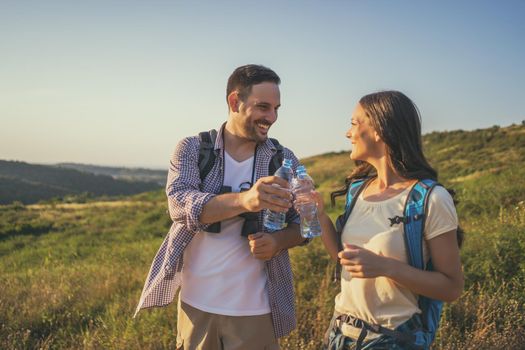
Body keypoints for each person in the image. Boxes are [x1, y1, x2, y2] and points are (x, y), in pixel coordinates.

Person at [134, 64, 307, 350]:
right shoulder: (192, 148)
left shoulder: (284, 160)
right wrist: (245, 200)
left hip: (257, 310)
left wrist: (277, 241)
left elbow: (303, 228)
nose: (271, 117)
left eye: (276, 108)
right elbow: (179, 205)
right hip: (197, 305)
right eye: (263, 107)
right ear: (234, 101)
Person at [314, 91, 464, 349]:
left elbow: (451, 288)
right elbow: (345, 261)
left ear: (379, 130)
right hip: (339, 334)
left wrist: (386, 267)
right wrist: (318, 214)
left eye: (354, 123)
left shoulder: (430, 199)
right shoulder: (358, 191)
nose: (347, 133)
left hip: (392, 339)